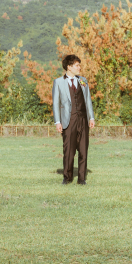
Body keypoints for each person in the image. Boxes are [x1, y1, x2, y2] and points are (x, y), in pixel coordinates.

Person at [53, 54, 95, 184]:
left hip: (83, 119)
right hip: (68, 121)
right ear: (69, 67)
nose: (79, 67)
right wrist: (57, 121)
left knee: (83, 149)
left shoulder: (83, 80)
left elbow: (88, 100)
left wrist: (91, 117)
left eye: (79, 65)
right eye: (77, 65)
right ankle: (67, 177)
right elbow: (55, 103)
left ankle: (82, 179)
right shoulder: (58, 82)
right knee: (69, 151)